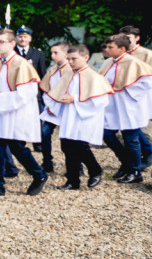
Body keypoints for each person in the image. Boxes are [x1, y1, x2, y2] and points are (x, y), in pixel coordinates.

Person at [0, 30, 48, 198]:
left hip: (17, 112)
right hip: (2, 111)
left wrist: (1, 97)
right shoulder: (0, 64)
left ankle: (39, 174)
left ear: (12, 44)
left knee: (17, 147)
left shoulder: (21, 64)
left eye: (1, 42)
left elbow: (27, 92)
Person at [43, 45, 112, 190]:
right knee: (67, 146)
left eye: (74, 59)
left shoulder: (94, 77)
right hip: (69, 116)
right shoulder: (68, 75)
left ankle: (95, 170)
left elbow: (101, 101)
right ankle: (73, 181)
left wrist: (75, 99)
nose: (71, 62)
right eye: (68, 59)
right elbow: (57, 93)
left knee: (80, 146)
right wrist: (53, 106)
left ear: (86, 57)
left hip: (85, 117)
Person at [101, 34, 152, 183]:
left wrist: (127, 90)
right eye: (107, 46)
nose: (107, 49)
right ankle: (125, 163)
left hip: (128, 105)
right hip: (111, 105)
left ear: (122, 48)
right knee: (107, 134)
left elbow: (148, 81)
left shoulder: (134, 62)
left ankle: (136, 171)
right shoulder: (108, 62)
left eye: (111, 47)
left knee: (131, 139)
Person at [117, 25, 152, 165]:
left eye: (128, 38)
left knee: (133, 125)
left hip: (141, 94)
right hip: (122, 95)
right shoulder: (120, 54)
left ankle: (146, 151)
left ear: (137, 38)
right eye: (122, 38)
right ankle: (146, 151)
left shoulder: (147, 54)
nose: (125, 40)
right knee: (130, 125)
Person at [37, 42, 71, 173]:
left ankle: (76, 166)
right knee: (45, 133)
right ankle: (47, 162)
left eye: (56, 53)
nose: (52, 55)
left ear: (65, 54)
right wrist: (49, 105)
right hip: (51, 109)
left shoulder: (70, 70)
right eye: (51, 53)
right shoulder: (52, 70)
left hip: (66, 108)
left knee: (67, 139)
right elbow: (47, 90)